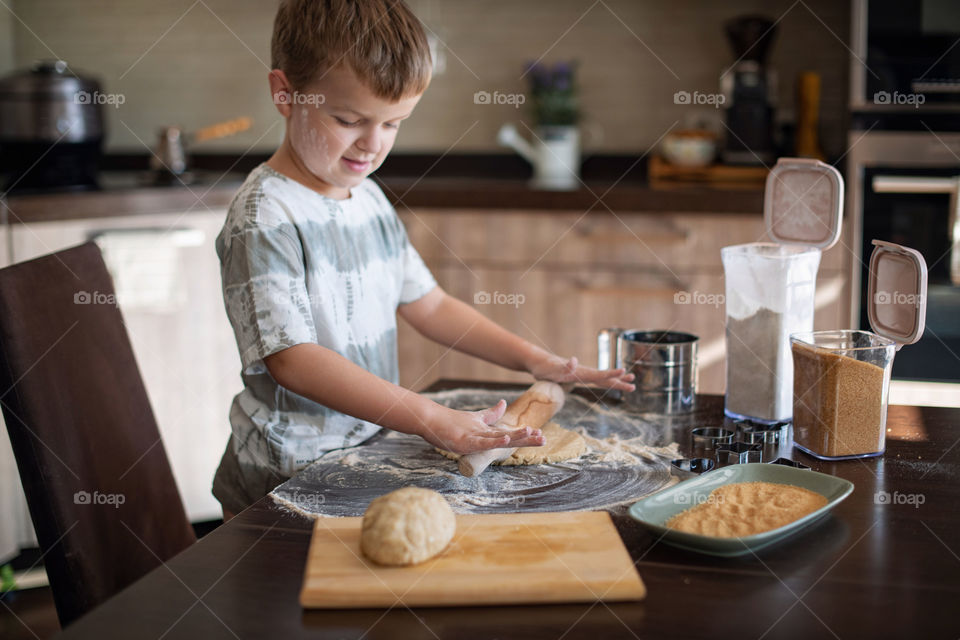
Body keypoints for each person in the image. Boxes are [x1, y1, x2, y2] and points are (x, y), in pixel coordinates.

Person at [212, 0, 634, 520]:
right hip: (283, 478)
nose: (373, 144)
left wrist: (534, 359)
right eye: (348, 119)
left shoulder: (366, 197)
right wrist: (429, 417)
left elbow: (429, 305)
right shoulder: (265, 216)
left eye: (394, 124)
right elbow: (293, 360)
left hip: (356, 459)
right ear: (285, 93)